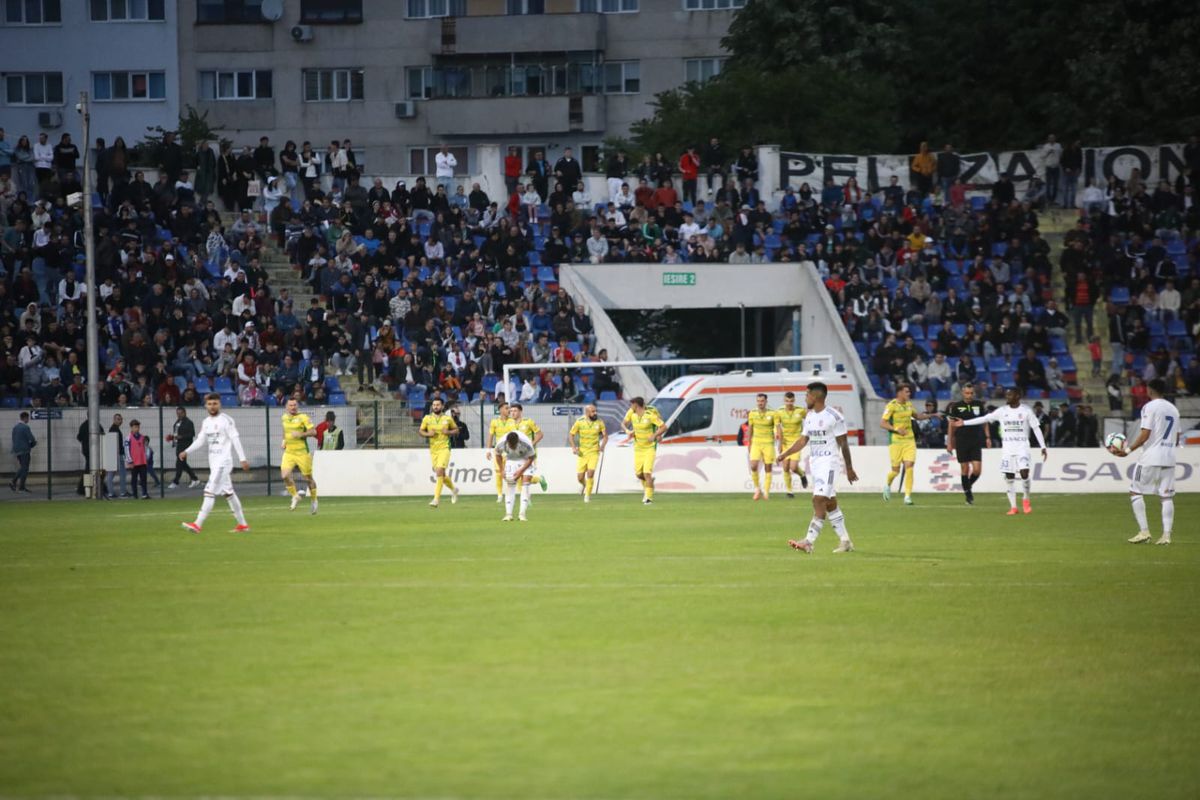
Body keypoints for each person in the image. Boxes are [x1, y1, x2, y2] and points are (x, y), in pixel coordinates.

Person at [776, 382, 858, 554]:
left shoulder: (834, 417)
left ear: (815, 396)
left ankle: (808, 541)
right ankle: (845, 541)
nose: (805, 398)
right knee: (830, 503)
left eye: (807, 395)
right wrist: (785, 454)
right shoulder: (810, 416)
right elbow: (803, 440)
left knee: (818, 500)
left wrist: (849, 468)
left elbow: (843, 443)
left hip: (829, 464)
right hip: (815, 464)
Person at [951, 387, 1048, 516]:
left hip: (1022, 447)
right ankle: (1013, 507)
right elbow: (985, 418)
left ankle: (1026, 499)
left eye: (1010, 395)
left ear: (1017, 396)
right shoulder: (1002, 411)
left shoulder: (1026, 411)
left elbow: (1036, 428)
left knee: (1024, 473)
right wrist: (964, 423)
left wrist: (1043, 446)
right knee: (1009, 477)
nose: (1007, 397)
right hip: (1007, 449)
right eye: (1006, 395)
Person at [1114, 378, 1178, 545]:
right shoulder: (1173, 409)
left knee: (1135, 491)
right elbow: (1177, 437)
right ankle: (1166, 536)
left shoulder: (1149, 407)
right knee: (1166, 496)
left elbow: (1145, 435)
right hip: (1169, 457)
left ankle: (1144, 532)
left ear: (1150, 390)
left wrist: (1127, 450)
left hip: (1151, 457)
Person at [180, 393, 251, 533]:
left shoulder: (226, 420)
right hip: (214, 463)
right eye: (210, 404)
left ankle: (197, 524)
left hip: (223, 462)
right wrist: (187, 451)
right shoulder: (206, 422)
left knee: (209, 491)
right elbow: (200, 440)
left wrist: (242, 458)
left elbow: (235, 439)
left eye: (215, 404)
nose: (212, 406)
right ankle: (243, 525)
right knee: (228, 493)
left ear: (220, 404)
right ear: (206, 405)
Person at [881, 383, 941, 505]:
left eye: (909, 391)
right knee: (895, 471)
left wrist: (933, 415)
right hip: (896, 442)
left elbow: (917, 416)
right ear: (899, 393)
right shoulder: (891, 405)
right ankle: (887, 484)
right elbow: (883, 423)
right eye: (907, 392)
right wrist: (896, 429)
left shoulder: (909, 404)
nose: (909, 394)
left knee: (909, 466)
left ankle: (907, 496)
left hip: (909, 440)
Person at [945, 383, 991, 505]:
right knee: (964, 468)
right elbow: (951, 425)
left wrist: (988, 437)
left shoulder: (979, 405)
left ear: (974, 393)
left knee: (977, 470)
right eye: (967, 393)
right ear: (962, 393)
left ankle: (967, 486)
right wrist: (949, 442)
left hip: (976, 440)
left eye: (971, 393)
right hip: (961, 440)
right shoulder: (956, 406)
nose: (969, 396)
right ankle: (968, 495)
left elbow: (985, 421)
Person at [622, 396, 664, 505]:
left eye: (632, 405)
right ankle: (649, 484)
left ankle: (648, 498)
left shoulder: (651, 413)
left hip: (650, 447)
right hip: (638, 448)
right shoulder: (632, 414)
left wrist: (656, 435)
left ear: (636, 405)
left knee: (646, 473)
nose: (631, 407)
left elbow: (662, 425)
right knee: (639, 474)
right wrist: (628, 431)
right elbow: (623, 423)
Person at [280, 398, 319, 514]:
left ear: (297, 406)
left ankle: (314, 500)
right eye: (290, 405)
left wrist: (301, 434)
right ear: (287, 407)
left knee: (308, 478)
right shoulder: (284, 417)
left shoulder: (303, 417)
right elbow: (285, 431)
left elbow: (314, 432)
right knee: (284, 475)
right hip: (289, 452)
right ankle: (295, 496)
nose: (293, 407)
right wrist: (284, 441)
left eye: (295, 405)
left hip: (302, 453)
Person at [418, 397, 459, 508]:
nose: (435, 407)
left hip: (445, 448)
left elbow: (456, 430)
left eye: (438, 405)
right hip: (433, 450)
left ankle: (436, 499)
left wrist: (448, 432)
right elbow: (420, 431)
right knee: (442, 475)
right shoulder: (427, 418)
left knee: (439, 471)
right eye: (434, 405)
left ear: (442, 406)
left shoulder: (447, 419)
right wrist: (428, 434)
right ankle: (454, 489)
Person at [568, 403, 608, 503]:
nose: (595, 413)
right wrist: (574, 448)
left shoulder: (599, 422)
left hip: (594, 452)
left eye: (595, 411)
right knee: (580, 477)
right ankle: (585, 485)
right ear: (587, 412)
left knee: (590, 473)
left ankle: (587, 496)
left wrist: (602, 446)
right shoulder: (579, 422)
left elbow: (605, 436)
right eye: (593, 411)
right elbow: (571, 435)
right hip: (582, 453)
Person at [509, 402, 548, 500]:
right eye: (511, 411)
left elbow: (540, 434)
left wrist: (531, 444)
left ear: (520, 412)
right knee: (519, 475)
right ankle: (527, 497)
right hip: (517, 454)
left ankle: (529, 493)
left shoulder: (528, 422)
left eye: (515, 411)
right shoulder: (510, 424)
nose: (513, 413)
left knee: (525, 476)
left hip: (529, 454)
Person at [496, 430, 536, 522]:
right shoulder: (501, 443)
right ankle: (508, 514)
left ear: (518, 442)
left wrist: (521, 471)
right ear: (507, 442)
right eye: (511, 446)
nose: (513, 447)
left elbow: (531, 458)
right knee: (510, 484)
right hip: (511, 460)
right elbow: (498, 455)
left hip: (525, 459)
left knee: (525, 484)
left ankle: (522, 514)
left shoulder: (526, 443)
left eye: (514, 446)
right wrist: (502, 470)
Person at [745, 393, 779, 501]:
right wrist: (749, 443)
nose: (760, 403)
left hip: (768, 443)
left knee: (768, 467)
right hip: (756, 442)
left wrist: (777, 435)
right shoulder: (752, 413)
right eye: (758, 401)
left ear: (766, 402)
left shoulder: (773, 413)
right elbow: (750, 428)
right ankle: (757, 489)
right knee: (753, 466)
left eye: (762, 401)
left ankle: (766, 492)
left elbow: (777, 427)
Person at [776, 391, 808, 497]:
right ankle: (789, 491)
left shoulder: (800, 411)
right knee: (785, 467)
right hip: (785, 442)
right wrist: (779, 443)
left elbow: (810, 421)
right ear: (784, 401)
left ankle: (802, 474)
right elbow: (778, 427)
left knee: (793, 467)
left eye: (791, 401)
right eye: (787, 401)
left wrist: (806, 435)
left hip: (796, 443)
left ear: (794, 400)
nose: (789, 403)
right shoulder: (779, 412)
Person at [486, 402, 516, 503]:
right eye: (507, 408)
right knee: (499, 473)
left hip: (510, 451)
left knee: (509, 474)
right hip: (498, 451)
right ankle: (499, 495)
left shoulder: (512, 421)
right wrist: (488, 450)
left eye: (509, 408)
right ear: (500, 410)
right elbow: (490, 436)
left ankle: (509, 494)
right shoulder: (494, 422)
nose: (509, 410)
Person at [167, 406, 201, 489]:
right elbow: (176, 433)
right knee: (183, 464)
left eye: (180, 413)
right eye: (177, 413)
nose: (179, 415)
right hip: (178, 444)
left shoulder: (189, 422)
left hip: (185, 445)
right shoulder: (177, 422)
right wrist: (172, 437)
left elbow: (191, 434)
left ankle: (176, 481)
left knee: (179, 463)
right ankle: (195, 479)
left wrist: (181, 437)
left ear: (185, 413)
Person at [10, 411, 35, 493]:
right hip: (25, 450)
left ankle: (18, 484)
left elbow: (13, 438)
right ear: (25, 418)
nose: (28, 420)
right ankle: (17, 484)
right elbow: (32, 439)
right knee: (25, 468)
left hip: (17, 450)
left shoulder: (15, 427)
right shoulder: (25, 427)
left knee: (23, 467)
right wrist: (32, 445)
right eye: (28, 418)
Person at [125, 419, 151, 500]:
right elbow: (127, 450)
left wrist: (146, 458)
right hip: (134, 462)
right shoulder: (128, 438)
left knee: (143, 479)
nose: (137, 429)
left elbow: (145, 448)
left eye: (138, 427)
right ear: (131, 428)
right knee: (134, 479)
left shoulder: (142, 437)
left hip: (142, 462)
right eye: (135, 427)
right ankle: (135, 495)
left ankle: (144, 494)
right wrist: (130, 461)